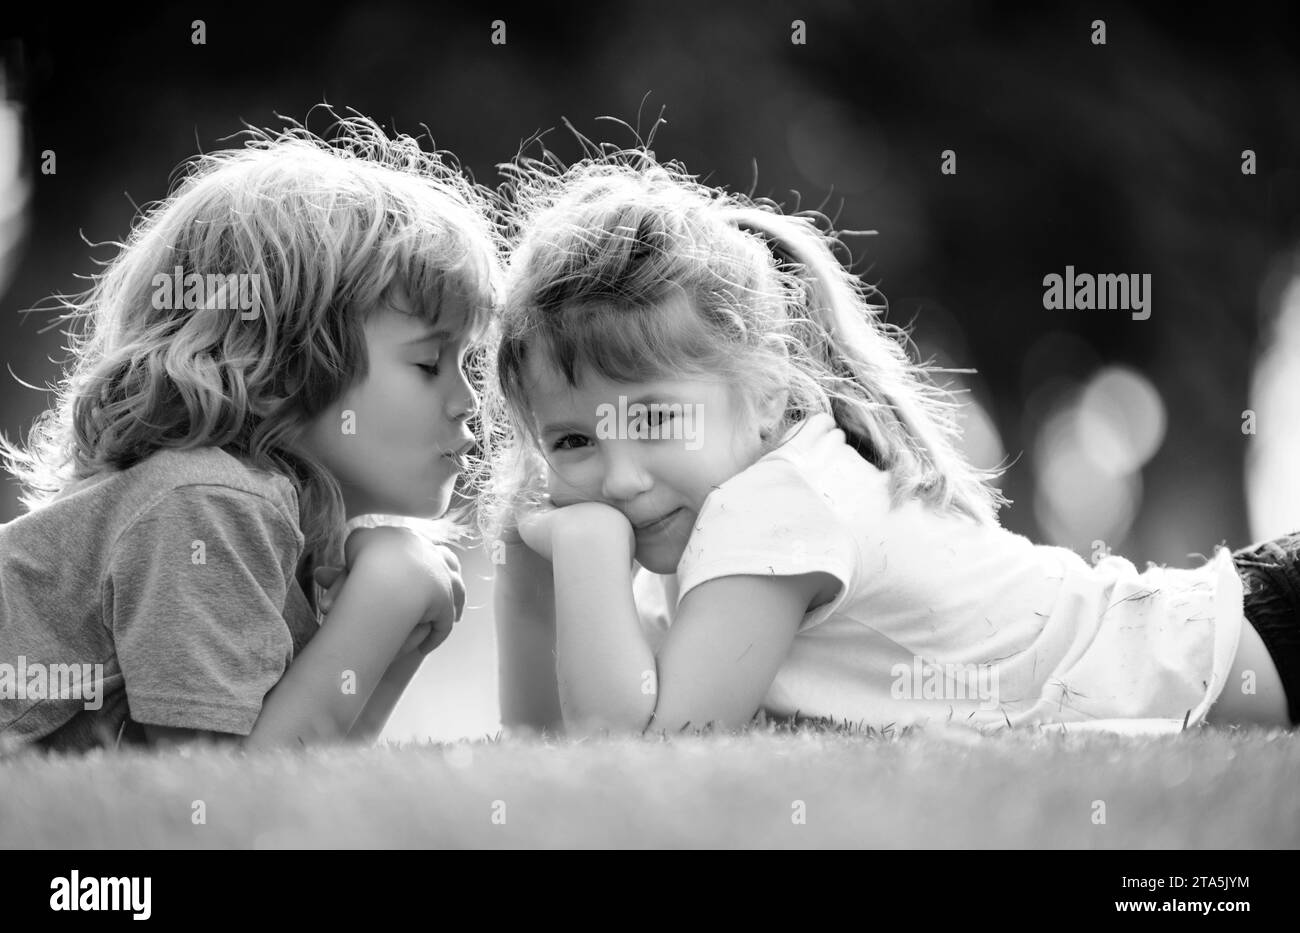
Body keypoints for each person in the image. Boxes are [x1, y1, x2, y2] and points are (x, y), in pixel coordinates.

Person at [479, 143, 1294, 737]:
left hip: (1259, 645)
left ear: (766, 395)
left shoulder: (772, 509)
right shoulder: (717, 517)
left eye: (654, 419)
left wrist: (582, 554)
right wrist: (527, 579)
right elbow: (548, 757)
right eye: (573, 441)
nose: (618, 478)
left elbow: (638, 757)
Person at [0, 113, 499, 752]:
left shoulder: (279, 528)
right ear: (285, 365)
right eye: (430, 363)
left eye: (467, 363)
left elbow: (303, 776)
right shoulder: (206, 503)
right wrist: (385, 601)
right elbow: (213, 799)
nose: (469, 401)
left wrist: (392, 639)